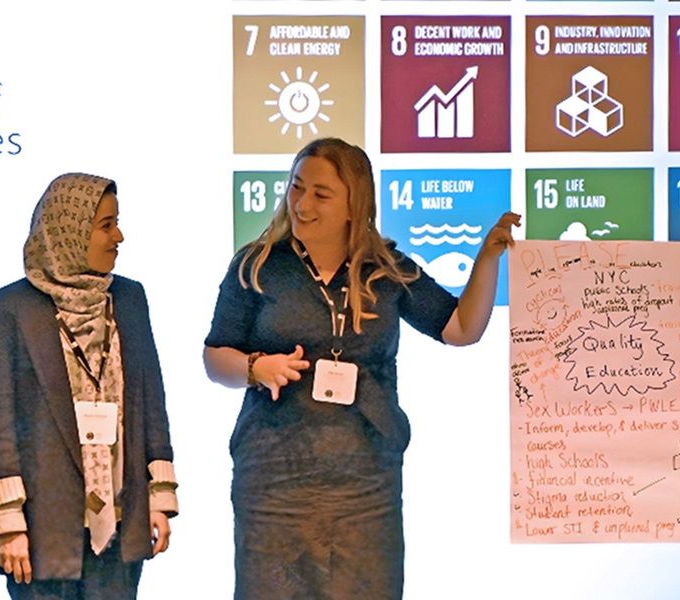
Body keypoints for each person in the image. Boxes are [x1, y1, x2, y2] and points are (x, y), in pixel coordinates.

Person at [203, 137, 518, 599]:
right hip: (274, 482)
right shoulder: (257, 265)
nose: (302, 204)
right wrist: (254, 367)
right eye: (296, 187)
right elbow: (215, 357)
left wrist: (487, 258)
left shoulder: (385, 268)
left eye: (321, 194)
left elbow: (461, 327)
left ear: (355, 204)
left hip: (365, 483)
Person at [0, 173, 177, 599]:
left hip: (122, 526)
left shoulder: (131, 299)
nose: (118, 236)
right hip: (44, 528)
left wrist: (160, 495)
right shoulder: (4, 311)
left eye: (116, 222)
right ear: (70, 231)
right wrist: (8, 525)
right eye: (105, 225)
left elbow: (150, 400)